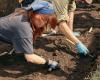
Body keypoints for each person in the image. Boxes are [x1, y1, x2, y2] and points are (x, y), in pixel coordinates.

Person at [0, 0, 59, 71]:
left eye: (46, 21)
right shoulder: (24, 27)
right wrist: (48, 62)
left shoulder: (24, 14)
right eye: (44, 19)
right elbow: (30, 58)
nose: (44, 23)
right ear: (36, 15)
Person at [16, 0, 89, 55]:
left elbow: (71, 9)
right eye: (82, 0)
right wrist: (78, 43)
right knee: (43, 28)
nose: (82, 2)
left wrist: (70, 32)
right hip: (30, 2)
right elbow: (61, 22)